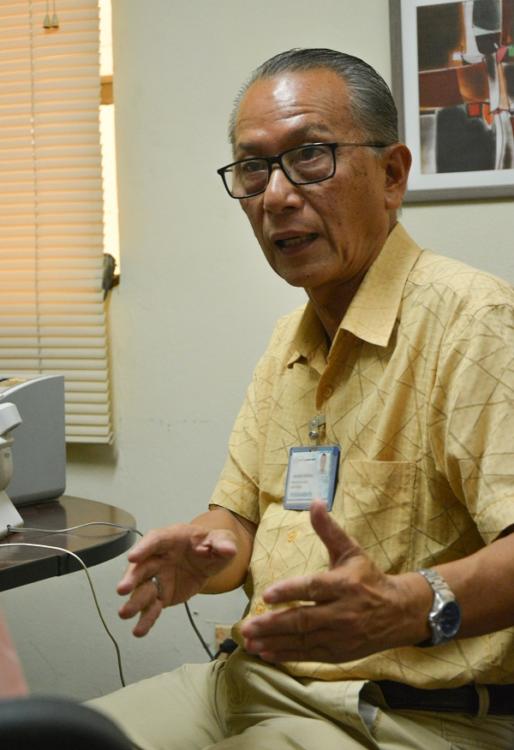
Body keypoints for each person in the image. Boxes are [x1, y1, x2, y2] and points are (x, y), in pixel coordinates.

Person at [90, 48, 514, 749]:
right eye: (253, 168)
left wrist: (409, 605)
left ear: (392, 175)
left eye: (310, 155)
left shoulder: (475, 323)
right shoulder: (289, 340)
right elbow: (240, 516)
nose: (277, 196)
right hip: (251, 680)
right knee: (53, 733)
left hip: (403, 713)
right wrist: (210, 549)